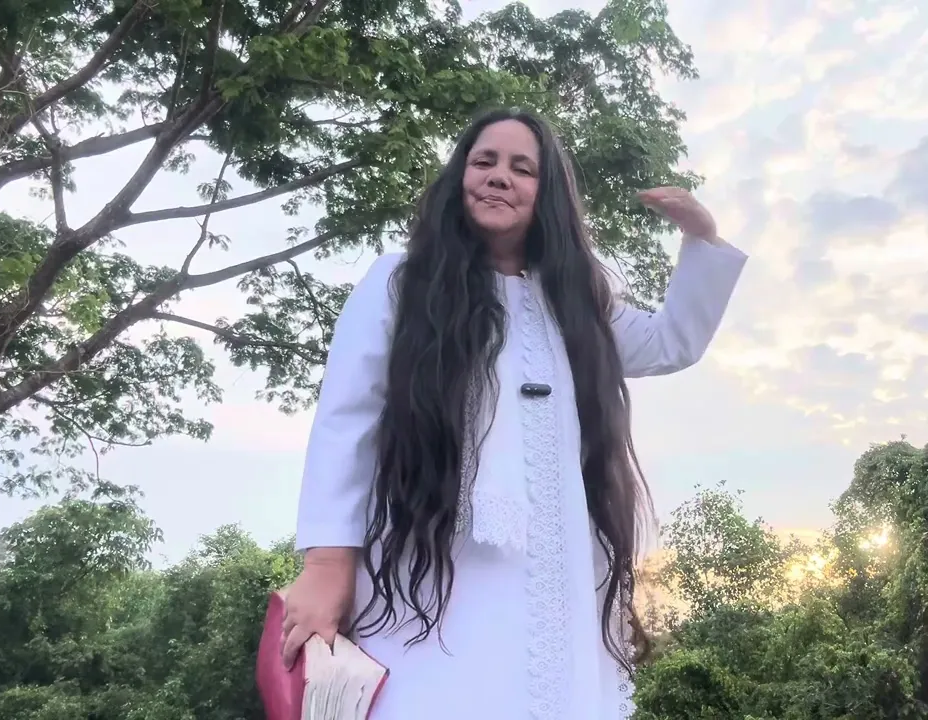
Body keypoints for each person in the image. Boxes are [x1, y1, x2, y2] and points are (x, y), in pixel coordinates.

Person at [280, 108, 747, 720]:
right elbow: (347, 418)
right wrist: (326, 562)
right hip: (428, 568)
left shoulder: (578, 301)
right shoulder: (399, 282)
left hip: (558, 571)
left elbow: (670, 344)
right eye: (484, 161)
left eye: (522, 168)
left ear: (545, 193)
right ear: (460, 178)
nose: (500, 176)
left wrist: (703, 240)